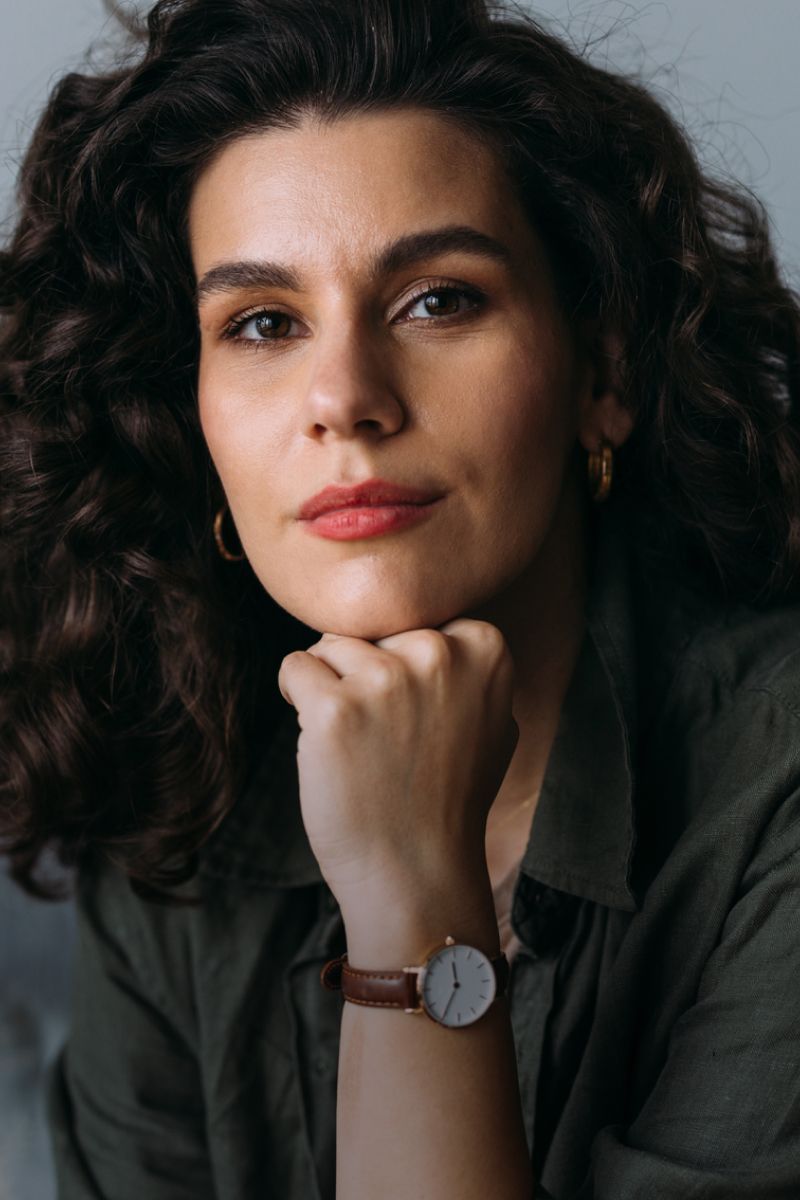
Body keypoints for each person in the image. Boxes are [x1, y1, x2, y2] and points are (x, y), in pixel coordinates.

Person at [2, 0, 800, 1196]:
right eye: (263, 323)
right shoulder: (175, 794)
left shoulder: (771, 788)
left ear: (603, 372)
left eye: (438, 300)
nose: (347, 398)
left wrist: (411, 896)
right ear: (193, 424)